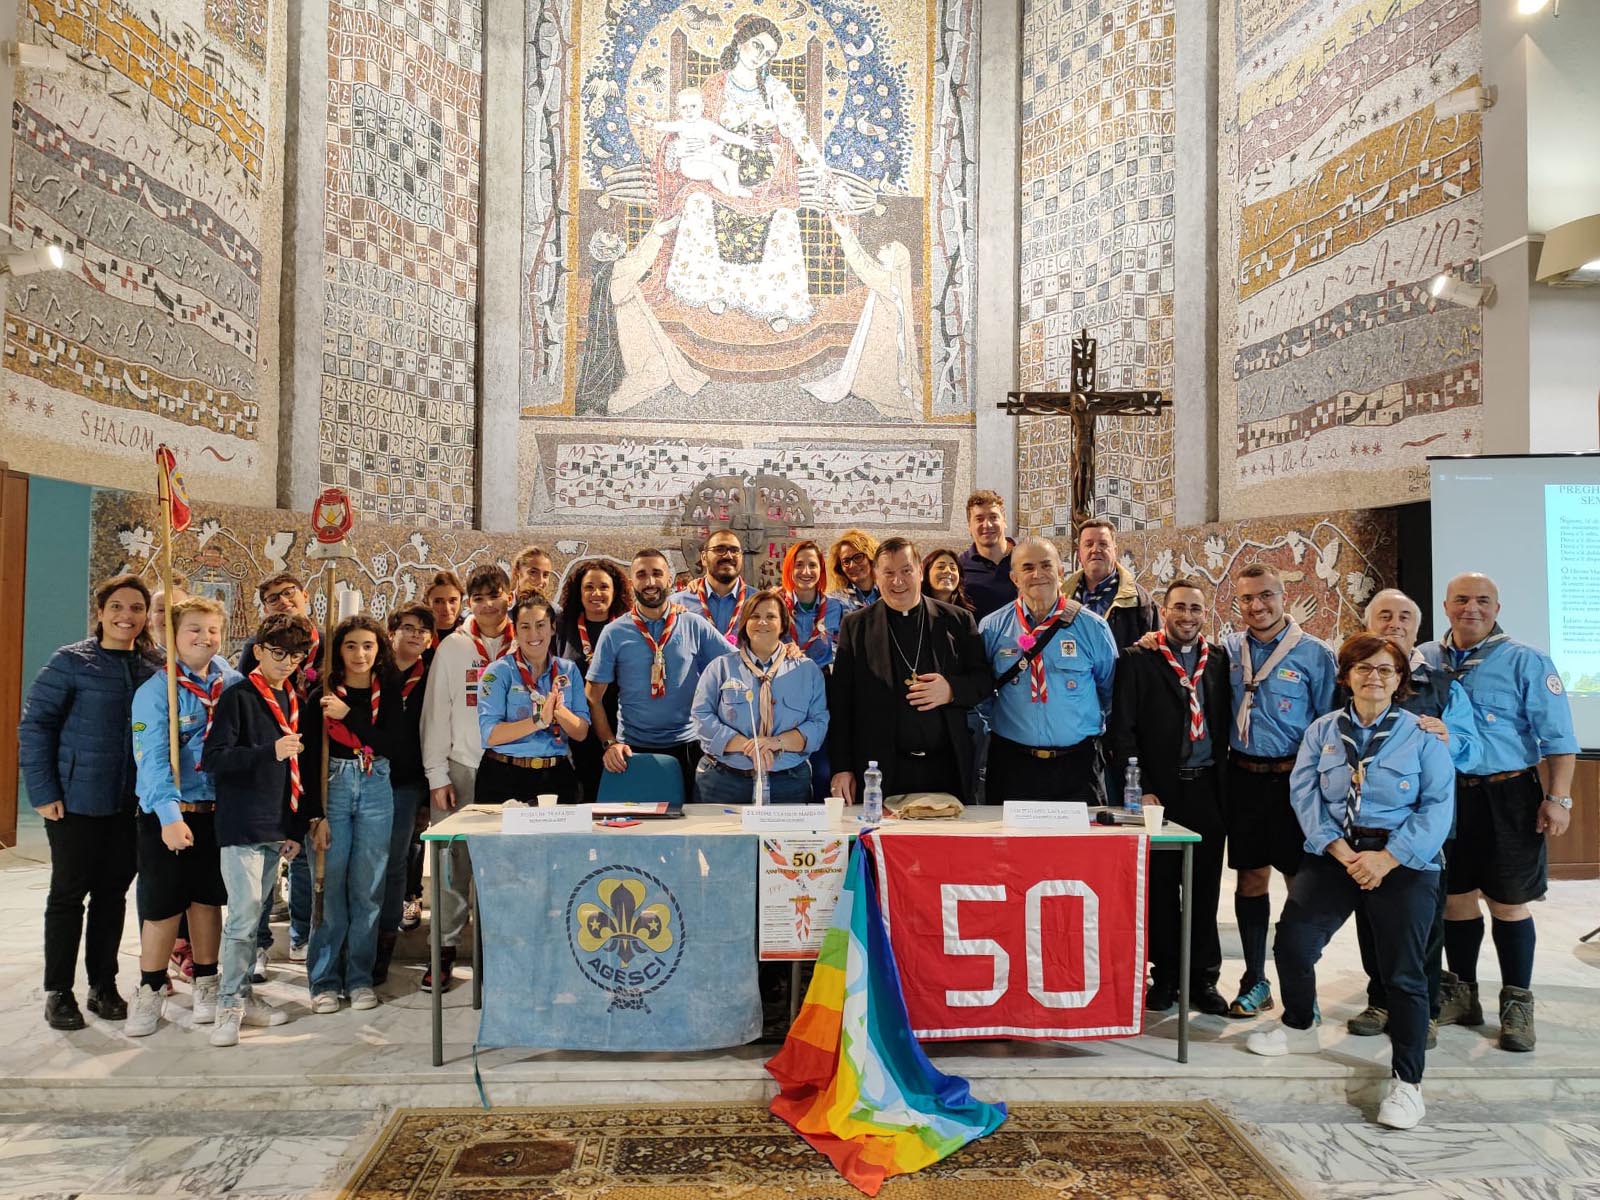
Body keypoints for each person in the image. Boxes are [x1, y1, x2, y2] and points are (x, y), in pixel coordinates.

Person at [1246, 634, 1454, 1132]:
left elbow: (1438, 807)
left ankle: (1408, 1084)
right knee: (1294, 943)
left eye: (1385, 669)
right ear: (1346, 675)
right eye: (1364, 668)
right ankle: (1299, 1021)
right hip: (1336, 851)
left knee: (1404, 973)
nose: (1374, 677)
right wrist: (1341, 852)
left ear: (1400, 680)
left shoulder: (1423, 734)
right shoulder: (1323, 731)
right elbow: (1305, 795)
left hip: (1404, 858)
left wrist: (1386, 859)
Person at [1419, 572, 1577, 1052]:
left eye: (1483, 600)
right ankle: (1463, 993)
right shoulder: (1424, 658)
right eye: (1462, 599)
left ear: (1497, 607)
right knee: (1456, 899)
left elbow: (1558, 737)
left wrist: (1558, 797)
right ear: (1445, 606)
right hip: (1447, 794)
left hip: (1508, 793)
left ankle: (1517, 1003)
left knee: (1508, 901)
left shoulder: (1525, 660)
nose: (1472, 608)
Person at [20, 574, 158, 1029]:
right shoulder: (71, 662)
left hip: (129, 803)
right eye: (117, 606)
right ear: (100, 611)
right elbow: (36, 725)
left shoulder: (152, 666)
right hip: (75, 800)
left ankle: (103, 984)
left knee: (113, 896)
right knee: (67, 895)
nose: (127, 616)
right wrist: (43, 792)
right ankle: (59, 991)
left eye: (136, 608)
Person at [1344, 588, 1481, 1047]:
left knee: (1422, 922)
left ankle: (1422, 1010)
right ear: (1369, 624)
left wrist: (1448, 736)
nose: (1394, 624)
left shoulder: (1443, 686)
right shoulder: (1350, 678)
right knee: (1372, 916)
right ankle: (1380, 997)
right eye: (1384, 615)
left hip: (1424, 832)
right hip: (1363, 829)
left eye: (1405, 616)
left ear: (1418, 629)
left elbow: (1472, 748)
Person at [652, 13, 836, 334]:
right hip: (720, 169)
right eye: (756, 46)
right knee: (699, 204)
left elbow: (798, 135)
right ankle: (718, 290)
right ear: (740, 42)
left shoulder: (775, 90)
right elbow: (692, 129)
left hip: (766, 176)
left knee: (781, 218)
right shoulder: (714, 86)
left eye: (768, 53)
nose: (760, 56)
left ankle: (774, 303)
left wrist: (824, 174)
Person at [1109, 577, 1232, 1016]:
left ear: (1206, 613)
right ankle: (1163, 979)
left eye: (1195, 609)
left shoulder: (1218, 660)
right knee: (1160, 888)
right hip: (1158, 793)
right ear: (1164, 611)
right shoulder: (1138, 659)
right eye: (1179, 607)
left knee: (1204, 889)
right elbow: (1122, 732)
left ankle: (1203, 978)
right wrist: (1139, 789)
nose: (1187, 616)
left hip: (1206, 787)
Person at [1223, 563, 1337, 1017]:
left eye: (1265, 595)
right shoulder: (1229, 650)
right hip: (1244, 777)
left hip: (1296, 781)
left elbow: (1330, 724)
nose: (1257, 606)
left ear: (1282, 596)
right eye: (1247, 598)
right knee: (1251, 879)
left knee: (1300, 883)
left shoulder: (1314, 654)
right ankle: (1255, 979)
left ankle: (1298, 976)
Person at [127, 596, 239, 1035]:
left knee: (208, 900)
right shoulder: (157, 690)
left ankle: (208, 981)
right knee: (162, 907)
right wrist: (170, 816)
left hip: (217, 810)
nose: (204, 638)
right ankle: (150, 989)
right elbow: (151, 758)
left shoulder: (230, 683)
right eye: (193, 629)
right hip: (168, 813)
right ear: (169, 635)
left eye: (212, 630)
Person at [201, 613, 313, 1045]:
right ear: (260, 650)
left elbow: (295, 771)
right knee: (244, 918)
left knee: (258, 916)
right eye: (278, 654)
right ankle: (228, 1002)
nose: (287, 663)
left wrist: (292, 826)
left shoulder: (294, 698)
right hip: (242, 824)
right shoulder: (240, 697)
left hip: (274, 824)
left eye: (296, 656)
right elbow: (215, 759)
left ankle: (245, 996)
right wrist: (269, 750)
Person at [829, 537, 992, 803]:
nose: (898, 581)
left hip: (946, 765)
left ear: (919, 571)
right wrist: (842, 767)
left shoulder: (957, 620)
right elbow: (841, 703)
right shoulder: (856, 626)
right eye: (889, 573)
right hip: (882, 768)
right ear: (876, 575)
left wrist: (951, 690)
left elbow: (983, 680)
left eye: (906, 571)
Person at [419, 564, 515, 991]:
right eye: (479, 598)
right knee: (451, 866)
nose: (489, 604)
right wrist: (438, 775)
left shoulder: (527, 639)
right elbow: (436, 714)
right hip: (464, 766)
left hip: (513, 769)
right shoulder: (454, 648)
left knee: (506, 867)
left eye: (496, 595)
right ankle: (442, 950)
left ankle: (499, 951)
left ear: (509, 595)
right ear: (469, 604)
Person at [300, 615, 400, 1013]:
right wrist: (314, 814)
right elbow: (305, 761)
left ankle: (359, 977)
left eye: (368, 646)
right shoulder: (319, 695)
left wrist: (350, 716)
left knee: (368, 888)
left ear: (379, 650)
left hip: (376, 783)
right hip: (333, 786)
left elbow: (392, 744)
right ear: (337, 651)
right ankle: (324, 979)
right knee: (329, 885)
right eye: (351, 646)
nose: (360, 654)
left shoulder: (387, 691)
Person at [586, 549, 736, 798]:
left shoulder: (693, 624)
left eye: (657, 573)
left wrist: (784, 651)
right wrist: (610, 743)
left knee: (689, 827)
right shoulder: (614, 632)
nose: (650, 582)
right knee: (636, 828)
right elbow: (593, 696)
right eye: (641, 575)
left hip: (688, 746)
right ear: (631, 581)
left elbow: (736, 664)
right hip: (633, 750)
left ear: (669, 579)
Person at [979, 537, 1117, 805]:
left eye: (1046, 565)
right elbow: (982, 694)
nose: (1037, 574)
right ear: (1014, 578)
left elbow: (1109, 690)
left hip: (1077, 765)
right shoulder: (992, 628)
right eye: (1027, 567)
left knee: (1077, 846)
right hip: (1012, 764)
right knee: (1011, 845)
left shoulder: (1093, 628)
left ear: (1061, 571)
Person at [237, 572, 317, 971]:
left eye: (289, 594)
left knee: (302, 854)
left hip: (311, 763)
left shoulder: (328, 645)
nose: (283, 601)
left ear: (305, 596)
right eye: (272, 598)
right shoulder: (255, 652)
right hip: (268, 768)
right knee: (267, 853)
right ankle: (260, 943)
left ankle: (303, 933)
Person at [692, 590, 828, 804]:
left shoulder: (807, 671)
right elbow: (701, 717)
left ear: (783, 624)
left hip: (788, 783)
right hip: (724, 782)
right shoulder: (721, 667)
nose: (762, 622)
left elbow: (818, 723)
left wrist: (774, 743)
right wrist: (748, 745)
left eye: (771, 616)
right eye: (754, 616)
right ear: (745, 623)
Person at [477, 594, 591, 805]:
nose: (534, 634)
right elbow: (490, 735)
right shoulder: (498, 672)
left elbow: (581, 732)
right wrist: (539, 720)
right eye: (525, 627)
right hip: (504, 775)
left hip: (556, 775)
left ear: (552, 628)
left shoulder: (568, 670)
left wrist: (559, 711)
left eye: (540, 625)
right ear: (516, 631)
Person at [378, 603, 433, 981]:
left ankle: (384, 943)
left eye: (423, 631)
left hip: (407, 780)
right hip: (368, 775)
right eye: (408, 627)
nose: (415, 635)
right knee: (368, 862)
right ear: (392, 630)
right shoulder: (373, 668)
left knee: (396, 860)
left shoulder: (429, 676)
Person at [556, 559, 632, 802]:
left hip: (621, 731)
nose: (596, 593)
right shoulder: (561, 627)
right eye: (589, 587)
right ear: (579, 591)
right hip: (577, 733)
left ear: (615, 591)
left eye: (604, 587)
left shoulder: (628, 627)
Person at [780, 540, 840, 800]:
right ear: (789, 569)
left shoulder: (838, 607)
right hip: (785, 686)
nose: (806, 571)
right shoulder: (775, 604)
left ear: (821, 570)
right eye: (799, 565)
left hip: (823, 686)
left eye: (812, 565)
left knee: (822, 761)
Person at [1064, 519, 1159, 651]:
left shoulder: (1139, 600)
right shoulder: (1062, 597)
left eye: (1103, 544)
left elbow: (1154, 647)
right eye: (1088, 544)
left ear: (1115, 551)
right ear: (1079, 554)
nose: (1095, 549)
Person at [654, 86, 760, 198]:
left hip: (707, 157)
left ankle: (734, 188)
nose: (689, 111)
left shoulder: (707, 124)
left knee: (732, 165)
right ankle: (727, 193)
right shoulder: (680, 124)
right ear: (679, 110)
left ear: (702, 107)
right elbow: (663, 126)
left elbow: (726, 135)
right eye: (684, 107)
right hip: (691, 164)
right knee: (715, 171)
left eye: (693, 106)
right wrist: (646, 122)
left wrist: (744, 142)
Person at [671, 529, 752, 642]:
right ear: (704, 558)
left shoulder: (759, 602)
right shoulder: (678, 603)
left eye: (734, 550)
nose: (728, 556)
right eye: (719, 549)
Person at [956, 490, 1017, 619]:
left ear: (1004, 521)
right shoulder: (959, 568)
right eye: (979, 519)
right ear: (969, 526)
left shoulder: (1027, 560)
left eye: (993, 517)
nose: (987, 525)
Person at [826, 529, 880, 614]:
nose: (852, 565)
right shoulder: (835, 601)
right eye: (846, 561)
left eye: (858, 557)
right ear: (840, 568)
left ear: (870, 558)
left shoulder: (889, 593)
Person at [147, 572, 191, 652]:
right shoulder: (140, 662)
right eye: (161, 610)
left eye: (177, 608)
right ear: (149, 617)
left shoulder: (214, 662)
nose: (169, 615)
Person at [921, 549, 975, 613]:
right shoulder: (917, 611)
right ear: (926, 574)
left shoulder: (966, 615)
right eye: (940, 567)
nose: (948, 571)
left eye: (953, 568)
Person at [424, 570, 465, 647]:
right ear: (427, 602)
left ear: (461, 600)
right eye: (438, 601)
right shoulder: (418, 637)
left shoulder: (471, 632)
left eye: (452, 600)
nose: (446, 608)